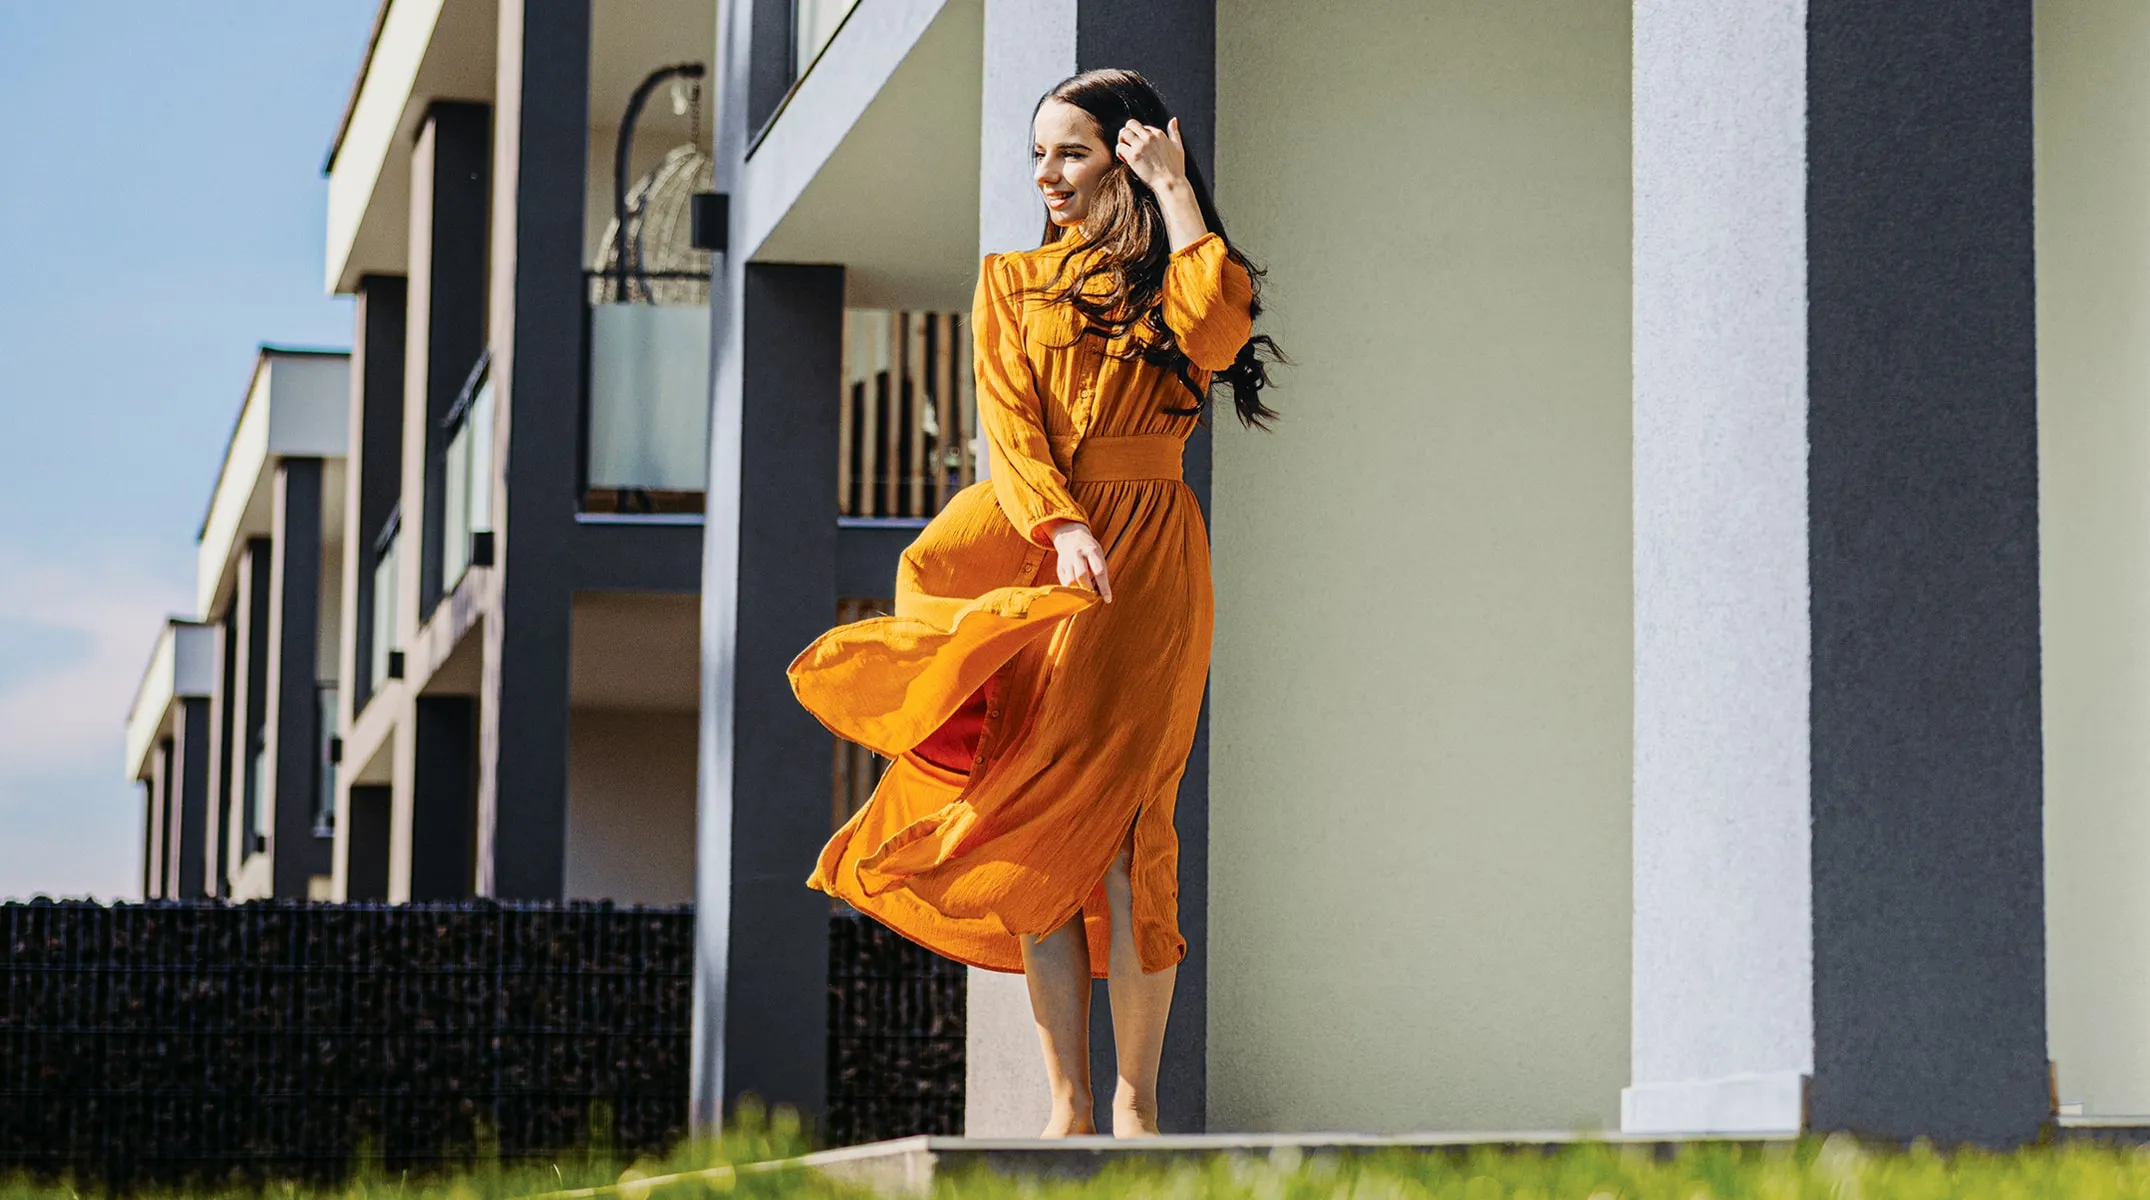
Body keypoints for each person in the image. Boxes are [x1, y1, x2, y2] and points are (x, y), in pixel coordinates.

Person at [790, 67, 1281, 1138]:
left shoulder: (1179, 272)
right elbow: (1010, 431)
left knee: (1130, 830)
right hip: (1046, 547)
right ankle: (1066, 1105)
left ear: (1127, 154)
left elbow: (1218, 331)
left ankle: (1135, 1104)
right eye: (1036, 156)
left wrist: (1179, 193)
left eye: (1069, 152)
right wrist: (1058, 528)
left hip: (1151, 560)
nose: (1046, 176)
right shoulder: (1011, 281)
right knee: (1042, 820)